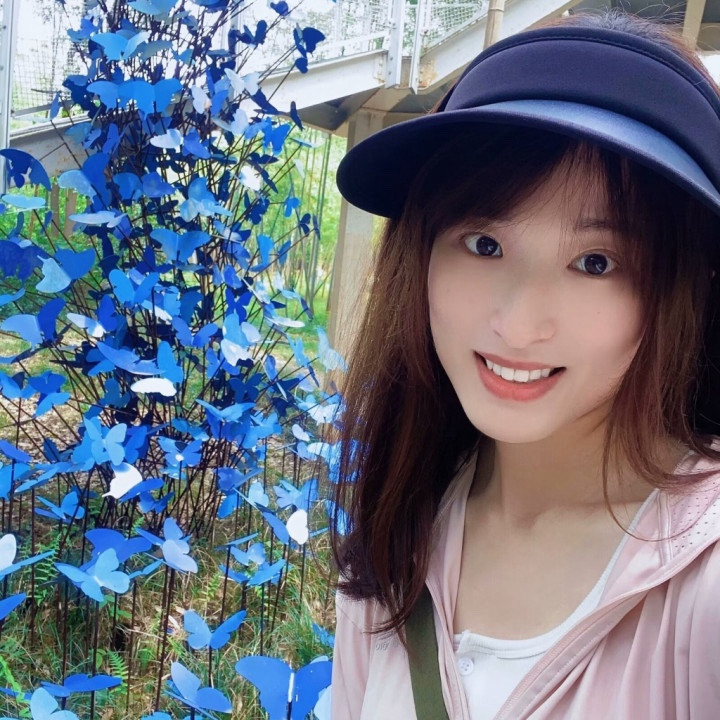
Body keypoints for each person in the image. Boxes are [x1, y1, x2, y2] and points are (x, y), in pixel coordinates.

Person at [328, 9, 720, 720]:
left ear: (686, 293)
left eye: (596, 263)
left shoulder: (703, 584)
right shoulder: (401, 528)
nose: (517, 324)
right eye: (484, 244)